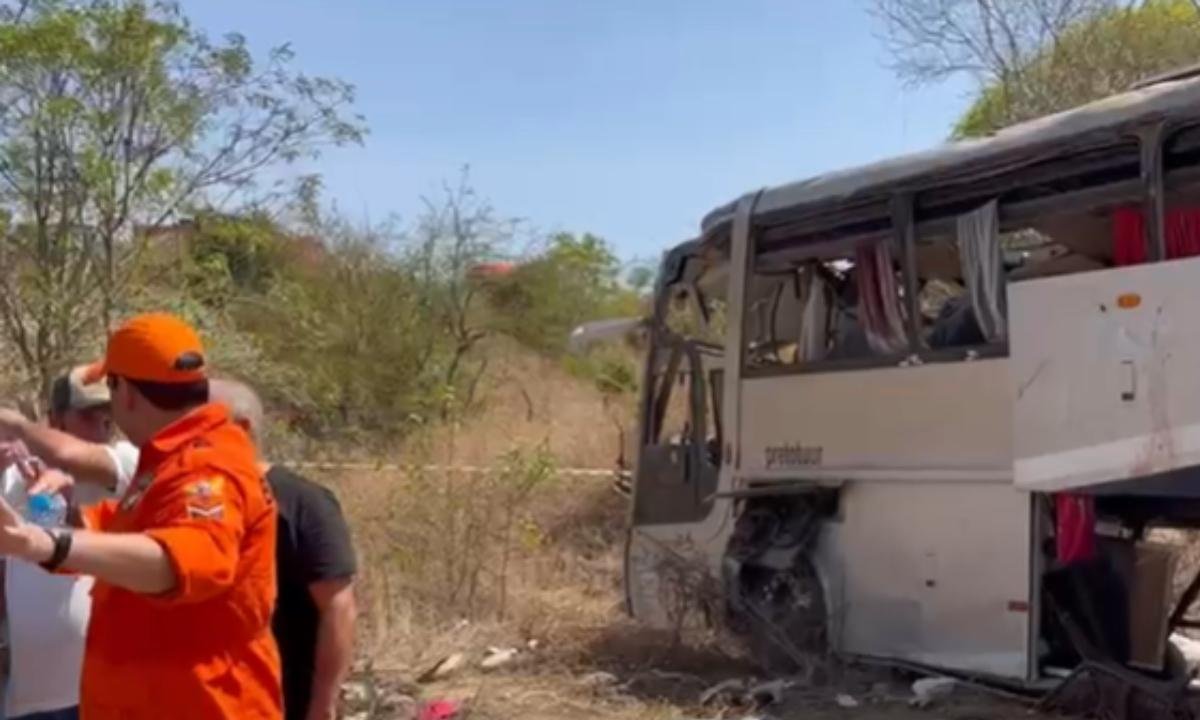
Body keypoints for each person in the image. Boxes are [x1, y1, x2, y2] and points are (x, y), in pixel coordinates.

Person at [0, 313, 282, 719]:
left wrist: (39, 542)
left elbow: (183, 561)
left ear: (126, 393)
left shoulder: (208, 466)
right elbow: (117, 534)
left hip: (204, 705)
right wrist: (65, 521)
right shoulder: (166, 465)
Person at [210, 379, 357, 720]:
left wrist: (323, 704)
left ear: (242, 429)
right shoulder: (194, 500)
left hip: (283, 700)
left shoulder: (303, 503)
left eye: (202, 425)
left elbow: (338, 605)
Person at [0, 368, 138, 720]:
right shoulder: (14, 476)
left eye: (109, 419)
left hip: (104, 691)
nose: (100, 430)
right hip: (29, 695)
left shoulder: (125, 475)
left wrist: (73, 503)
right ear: (55, 420)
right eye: (88, 417)